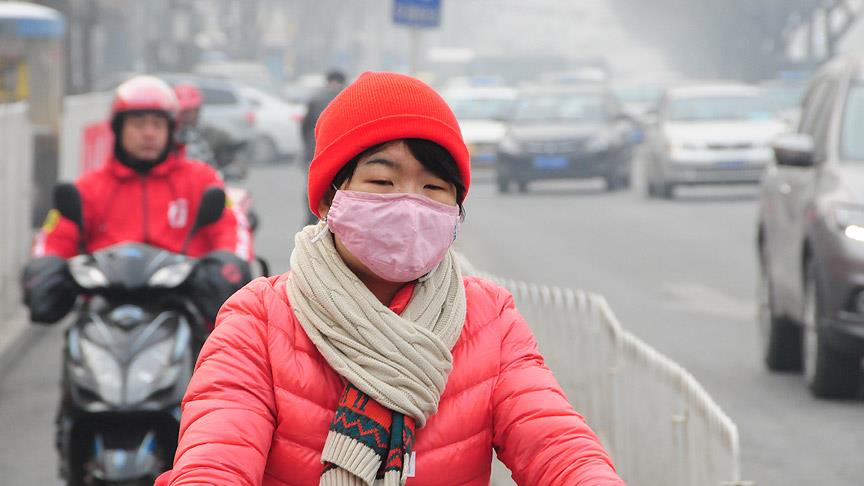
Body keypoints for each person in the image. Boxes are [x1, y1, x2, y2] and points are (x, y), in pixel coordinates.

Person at [156, 72, 625, 486]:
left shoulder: (488, 319)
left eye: (434, 188)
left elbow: (557, 445)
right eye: (382, 182)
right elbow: (213, 457)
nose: (409, 204)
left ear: (456, 211)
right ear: (328, 200)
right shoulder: (259, 320)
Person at [22, 75, 254, 326]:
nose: (149, 133)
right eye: (138, 123)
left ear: (171, 130)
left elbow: (232, 229)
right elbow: (53, 240)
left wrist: (227, 263)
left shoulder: (202, 180)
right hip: (104, 315)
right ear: (118, 128)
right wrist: (45, 267)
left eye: (157, 124)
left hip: (183, 311)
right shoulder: (89, 188)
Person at [301, 69, 346, 225]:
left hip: (323, 153)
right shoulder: (345, 99)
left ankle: (315, 222)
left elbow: (304, 128)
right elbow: (306, 128)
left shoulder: (319, 100)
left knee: (317, 189)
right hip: (327, 153)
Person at [173, 81, 217, 167]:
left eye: (190, 111)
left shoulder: (212, 134)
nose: (186, 115)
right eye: (183, 111)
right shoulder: (168, 135)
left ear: (197, 110)